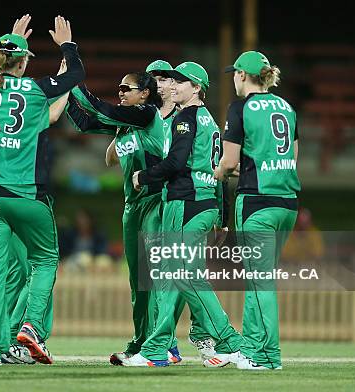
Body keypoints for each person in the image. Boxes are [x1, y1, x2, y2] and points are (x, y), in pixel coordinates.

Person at [0, 15, 84, 365]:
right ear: (25, 61)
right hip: (27, 195)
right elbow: (74, 77)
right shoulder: (32, 91)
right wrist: (68, 47)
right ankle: (30, 327)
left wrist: (7, 41)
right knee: (45, 260)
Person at [127, 62, 242, 366]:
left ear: (197, 88)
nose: (174, 85)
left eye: (181, 81)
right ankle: (167, 346)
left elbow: (176, 163)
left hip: (185, 202)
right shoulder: (208, 120)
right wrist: (222, 216)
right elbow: (221, 175)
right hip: (205, 204)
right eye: (173, 80)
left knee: (178, 276)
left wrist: (144, 176)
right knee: (182, 276)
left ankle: (225, 339)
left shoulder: (186, 118)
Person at [67, 71, 183, 365]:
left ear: (145, 94)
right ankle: (142, 341)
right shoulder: (125, 125)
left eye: (126, 88)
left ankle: (164, 345)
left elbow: (97, 107)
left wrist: (71, 72)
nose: (120, 92)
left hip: (156, 201)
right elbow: (84, 123)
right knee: (137, 281)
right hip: (132, 207)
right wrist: (64, 96)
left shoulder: (146, 114)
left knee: (155, 276)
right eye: (118, 88)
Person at [210, 51, 300, 370]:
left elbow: (229, 161)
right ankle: (250, 348)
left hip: (257, 202)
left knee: (260, 281)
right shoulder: (287, 107)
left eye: (234, 73)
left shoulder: (241, 108)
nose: (233, 78)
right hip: (287, 201)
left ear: (244, 76)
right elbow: (291, 156)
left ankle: (267, 356)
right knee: (256, 278)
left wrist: (216, 173)